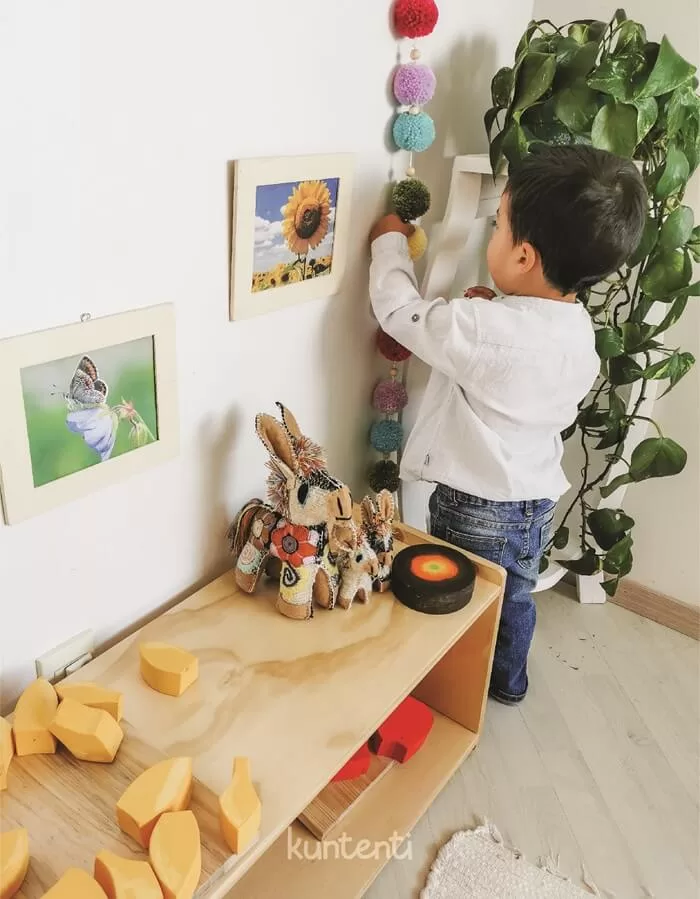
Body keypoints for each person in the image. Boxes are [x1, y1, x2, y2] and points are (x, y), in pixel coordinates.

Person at [368, 145, 647, 704]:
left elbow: (401, 313)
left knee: (457, 594)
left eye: (498, 226)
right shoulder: (576, 332)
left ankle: (452, 688)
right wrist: (492, 305)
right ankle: (508, 681)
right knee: (514, 596)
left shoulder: (482, 328)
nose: (491, 233)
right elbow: (526, 373)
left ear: (523, 257)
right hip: (535, 500)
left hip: (477, 505)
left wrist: (389, 241)